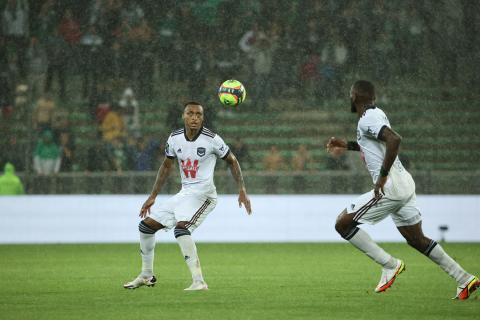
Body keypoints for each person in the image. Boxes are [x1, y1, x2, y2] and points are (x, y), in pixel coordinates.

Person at [326, 80, 479, 300]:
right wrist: (346, 144)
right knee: (417, 239)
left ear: (356, 96)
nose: (349, 98)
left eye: (351, 94)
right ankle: (464, 278)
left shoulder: (368, 118)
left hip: (390, 187)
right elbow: (373, 144)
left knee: (343, 224)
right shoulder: (374, 115)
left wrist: (382, 176)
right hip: (405, 184)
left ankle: (390, 265)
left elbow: (394, 139)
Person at [124, 102, 252, 291]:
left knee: (181, 230)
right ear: (183, 116)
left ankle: (199, 282)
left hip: (205, 195)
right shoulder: (174, 138)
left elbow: (233, 161)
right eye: (190, 113)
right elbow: (166, 166)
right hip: (185, 194)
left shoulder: (212, 139)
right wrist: (153, 195)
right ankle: (146, 275)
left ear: (203, 118)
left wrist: (242, 189)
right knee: (146, 226)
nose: (194, 117)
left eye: (198, 114)